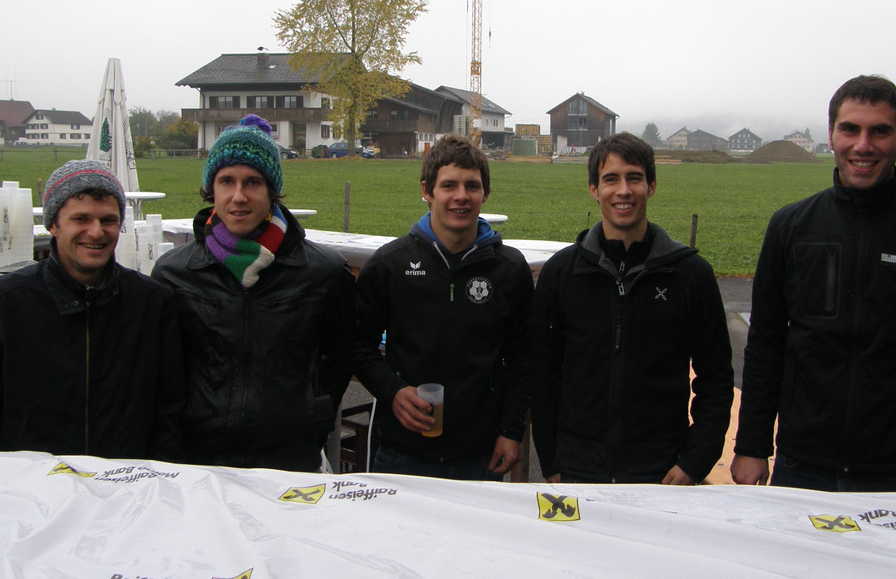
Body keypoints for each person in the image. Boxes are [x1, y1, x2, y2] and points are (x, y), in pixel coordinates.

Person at [732, 75, 896, 492]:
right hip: (802, 461)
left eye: (880, 131)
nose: (863, 145)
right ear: (832, 135)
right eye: (850, 129)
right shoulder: (792, 227)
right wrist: (751, 445)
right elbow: (766, 341)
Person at [152, 115, 354, 472]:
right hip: (200, 461)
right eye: (226, 181)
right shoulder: (175, 274)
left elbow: (341, 356)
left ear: (271, 190)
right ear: (211, 189)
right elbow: (165, 374)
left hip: (290, 461)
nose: (239, 196)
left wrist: (315, 415)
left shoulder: (323, 272)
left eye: (253, 182)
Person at [531, 132, 733, 484]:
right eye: (611, 179)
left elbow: (715, 377)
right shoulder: (561, 274)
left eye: (634, 178)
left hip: (662, 473)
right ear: (594, 189)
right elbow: (543, 375)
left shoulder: (690, 275)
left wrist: (694, 462)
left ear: (651, 186)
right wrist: (553, 463)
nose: (623, 190)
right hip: (577, 471)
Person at [353, 134, 533, 480]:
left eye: (472, 186)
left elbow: (523, 358)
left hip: (481, 455)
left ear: (485, 194)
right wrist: (392, 391)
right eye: (449, 185)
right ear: (427, 191)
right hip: (401, 452)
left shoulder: (510, 270)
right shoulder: (390, 264)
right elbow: (356, 345)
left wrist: (511, 430)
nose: (461, 196)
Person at [0, 159, 184, 461]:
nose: (96, 232)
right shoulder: (10, 302)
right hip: (33, 482)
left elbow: (169, 407)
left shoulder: (152, 304)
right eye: (81, 219)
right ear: (53, 225)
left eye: (108, 220)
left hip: (129, 479)